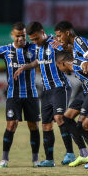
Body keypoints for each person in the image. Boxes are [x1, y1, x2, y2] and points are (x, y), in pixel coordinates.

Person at [0, 22, 41, 168]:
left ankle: (36, 160)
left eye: (23, 35)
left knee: (33, 126)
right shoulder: (5, 50)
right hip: (13, 95)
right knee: (11, 125)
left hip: (31, 94)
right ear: (12, 35)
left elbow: (42, 58)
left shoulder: (34, 47)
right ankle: (4, 159)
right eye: (18, 36)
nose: (21, 39)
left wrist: (28, 66)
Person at [14, 22, 80, 167]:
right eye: (32, 40)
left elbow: (69, 50)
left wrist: (65, 47)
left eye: (37, 38)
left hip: (60, 87)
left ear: (43, 32)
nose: (35, 42)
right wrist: (26, 66)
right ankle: (49, 159)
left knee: (59, 117)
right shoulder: (38, 47)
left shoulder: (54, 42)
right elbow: (38, 61)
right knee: (46, 125)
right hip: (46, 90)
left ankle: (70, 153)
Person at [53, 21, 88, 167]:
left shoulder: (79, 40)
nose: (58, 38)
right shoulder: (74, 45)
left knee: (84, 126)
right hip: (85, 89)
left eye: (59, 35)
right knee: (67, 118)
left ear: (67, 33)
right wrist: (66, 48)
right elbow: (80, 54)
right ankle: (84, 154)